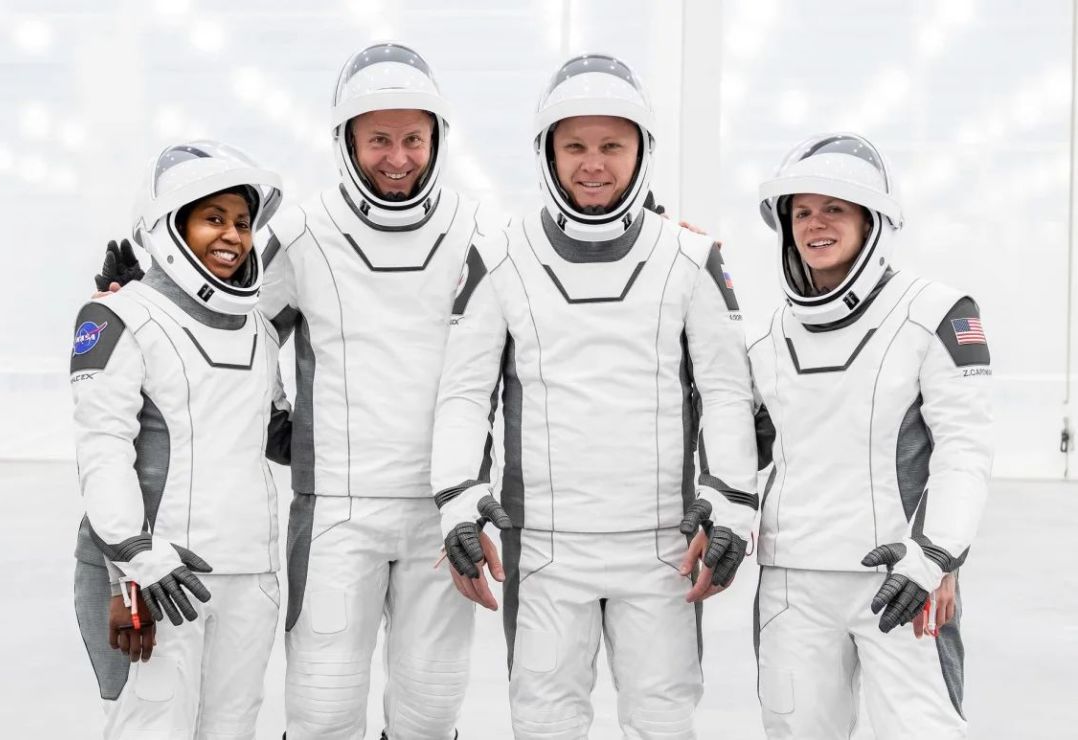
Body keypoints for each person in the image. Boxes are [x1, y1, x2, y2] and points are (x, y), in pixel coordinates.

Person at [431, 53, 759, 738]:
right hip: (545, 550)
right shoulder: (499, 256)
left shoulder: (692, 259)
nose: (593, 164)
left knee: (663, 720)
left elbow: (727, 393)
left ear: (642, 151)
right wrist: (457, 500)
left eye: (612, 145)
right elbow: (464, 395)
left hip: (665, 547)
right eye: (574, 145)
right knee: (545, 720)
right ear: (547, 152)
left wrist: (732, 503)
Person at [257, 43, 503, 740]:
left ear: (437, 140)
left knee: (429, 712)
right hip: (337, 510)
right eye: (379, 140)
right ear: (347, 141)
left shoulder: (479, 230)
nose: (398, 158)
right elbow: (231, 332)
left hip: (446, 510)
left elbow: (544, 327)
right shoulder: (301, 233)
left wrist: (659, 242)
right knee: (322, 711)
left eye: (413, 139)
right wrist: (278, 426)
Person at [749, 133, 992, 738]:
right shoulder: (768, 337)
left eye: (834, 208)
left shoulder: (937, 312)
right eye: (801, 212)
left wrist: (937, 553)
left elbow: (965, 445)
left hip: (902, 578)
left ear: (872, 221)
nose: (815, 224)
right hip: (791, 581)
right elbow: (744, 447)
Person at [71, 139, 290, 738]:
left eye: (243, 222)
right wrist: (131, 561)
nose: (233, 236)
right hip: (158, 576)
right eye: (213, 218)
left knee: (232, 727)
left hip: (252, 575)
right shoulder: (120, 314)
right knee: (150, 727)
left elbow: (275, 436)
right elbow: (103, 447)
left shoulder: (261, 332)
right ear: (170, 226)